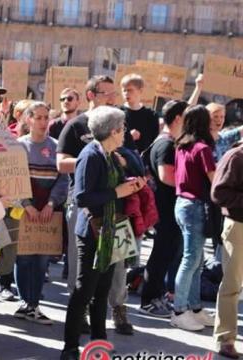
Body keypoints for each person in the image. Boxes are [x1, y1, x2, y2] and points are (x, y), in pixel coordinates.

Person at [60, 106, 146, 360]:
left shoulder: (111, 154)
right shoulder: (91, 155)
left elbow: (120, 178)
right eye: (122, 129)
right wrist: (117, 193)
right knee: (83, 290)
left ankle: (99, 342)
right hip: (92, 232)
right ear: (112, 131)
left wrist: (130, 185)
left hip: (111, 229)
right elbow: (83, 196)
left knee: (102, 289)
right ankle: (70, 347)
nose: (125, 134)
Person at [15, 102, 68, 325]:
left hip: (47, 210)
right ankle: (25, 302)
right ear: (28, 119)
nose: (43, 122)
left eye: (47, 117)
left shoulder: (56, 147)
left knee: (41, 259)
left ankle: (34, 302)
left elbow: (63, 178)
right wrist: (26, 204)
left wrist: (51, 204)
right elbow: (13, 179)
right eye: (38, 117)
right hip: (25, 209)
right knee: (24, 257)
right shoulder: (18, 147)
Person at [139, 100, 188, 318]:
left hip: (168, 209)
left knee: (166, 254)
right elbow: (166, 176)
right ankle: (149, 300)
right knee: (161, 255)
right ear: (178, 118)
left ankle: (157, 297)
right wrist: (191, 181)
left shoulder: (169, 142)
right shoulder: (166, 144)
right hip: (165, 209)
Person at [170, 105, 216, 332]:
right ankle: (179, 310)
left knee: (196, 261)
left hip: (183, 204)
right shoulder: (202, 149)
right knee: (191, 261)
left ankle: (194, 308)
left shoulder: (182, 146)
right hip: (195, 206)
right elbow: (214, 178)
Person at [211, 141, 243, 359]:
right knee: (232, 284)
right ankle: (225, 339)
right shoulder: (236, 157)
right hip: (238, 225)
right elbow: (219, 193)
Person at [120, 74, 159, 153]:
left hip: (143, 161)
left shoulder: (151, 115)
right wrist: (128, 137)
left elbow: (154, 141)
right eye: (124, 90)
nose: (126, 93)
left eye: (130, 90)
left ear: (140, 91)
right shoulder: (117, 113)